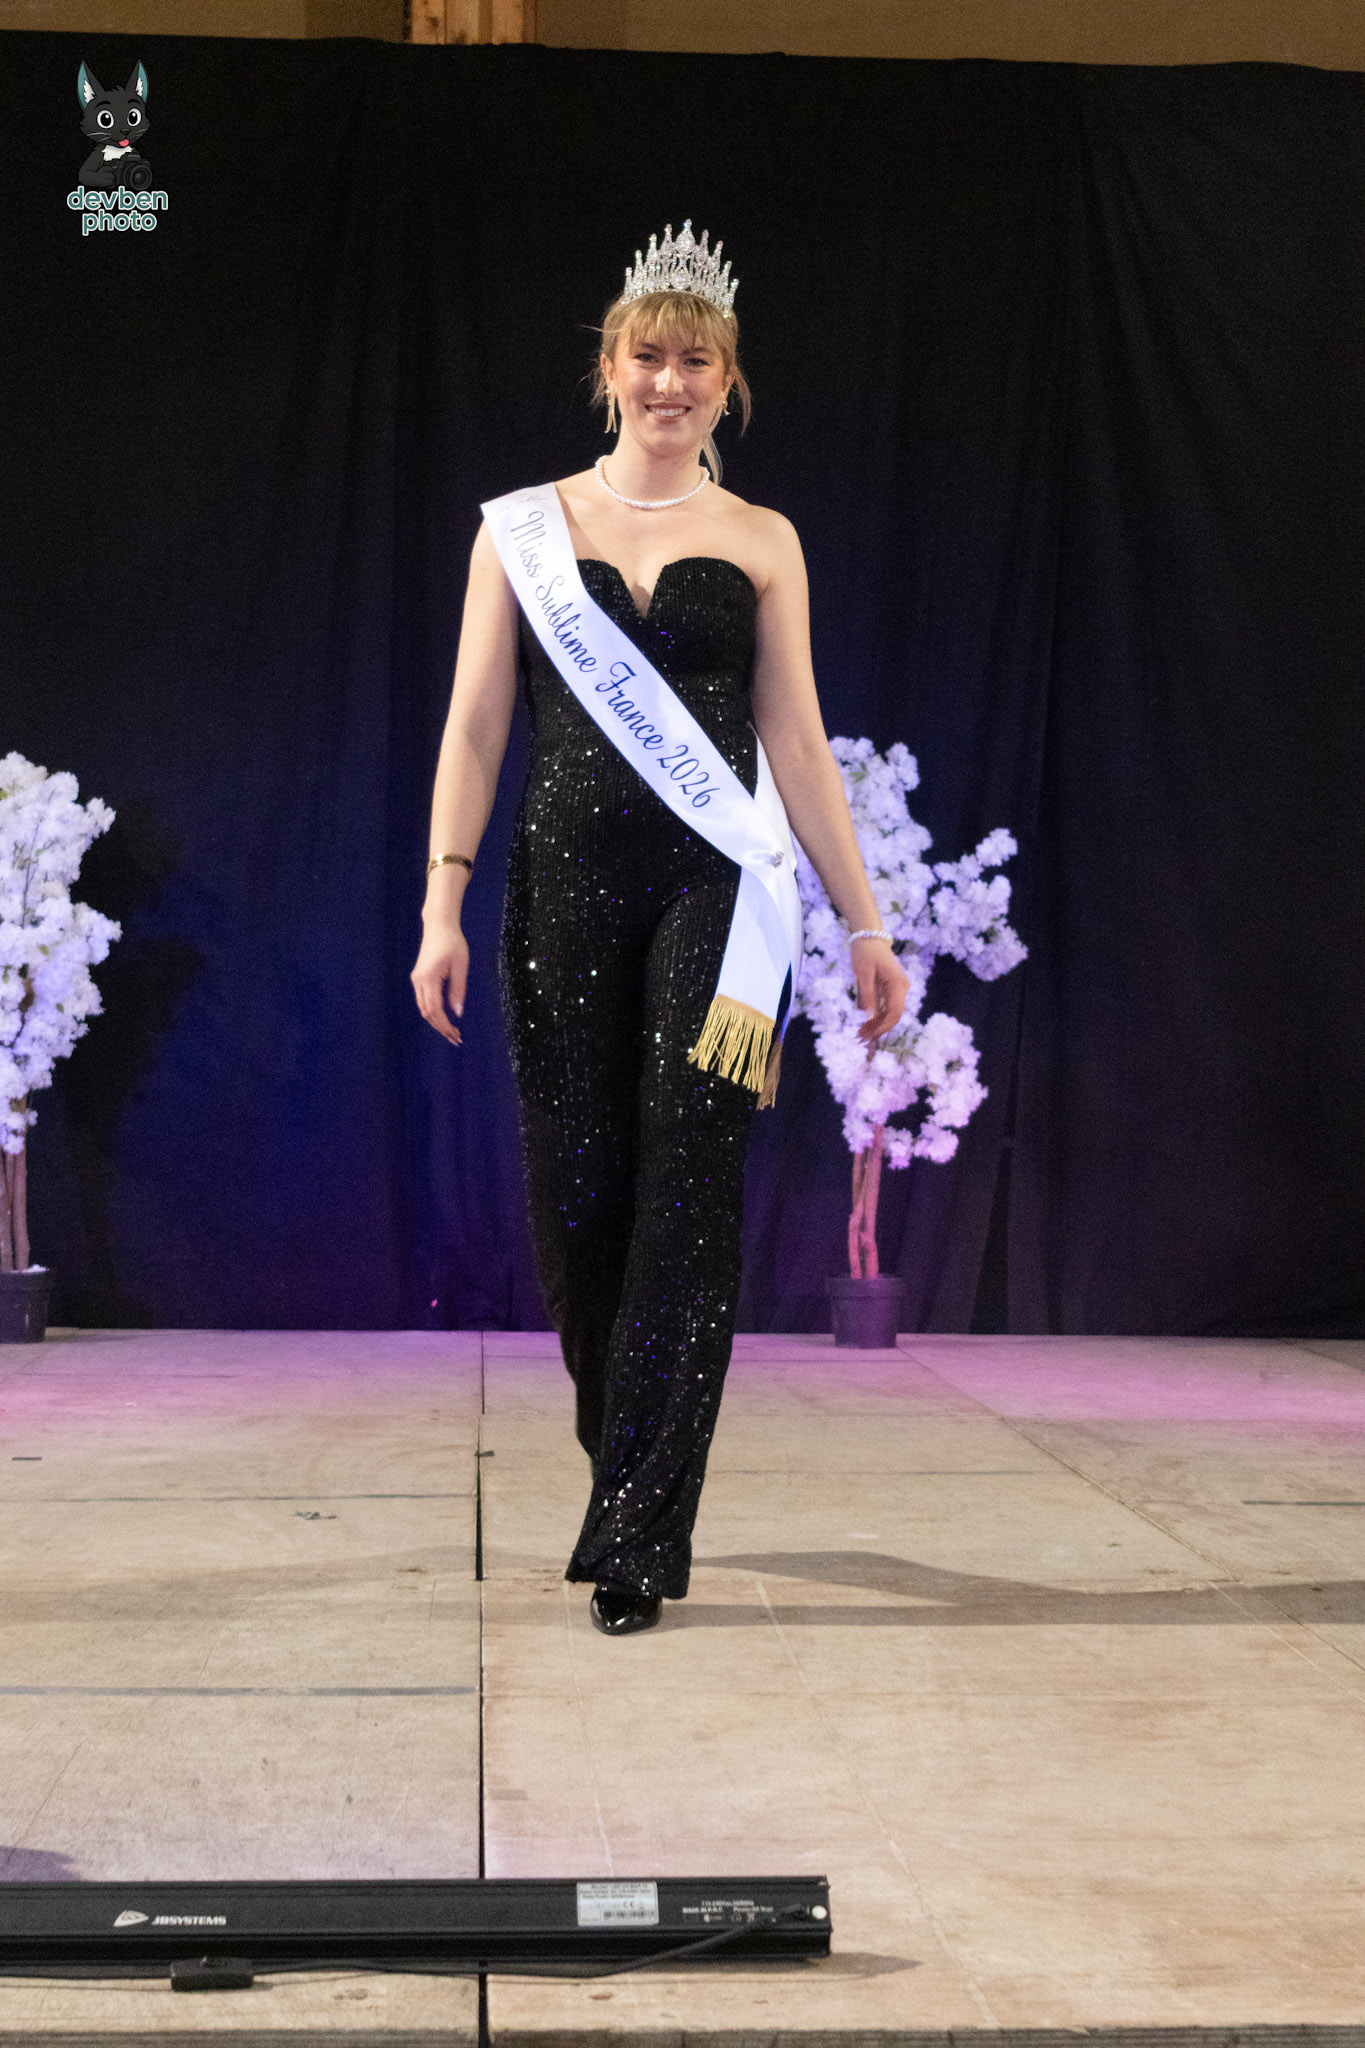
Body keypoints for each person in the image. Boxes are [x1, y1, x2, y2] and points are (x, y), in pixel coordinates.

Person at [412, 222, 909, 1635]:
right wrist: (442, 901)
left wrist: (864, 924)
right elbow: (475, 724)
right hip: (560, 887)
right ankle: (625, 1448)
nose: (669, 381)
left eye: (696, 360)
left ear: (727, 380)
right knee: (582, 1204)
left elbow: (795, 740)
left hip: (717, 895)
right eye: (649, 356)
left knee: (686, 1195)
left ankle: (638, 1533)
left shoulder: (762, 540)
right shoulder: (522, 529)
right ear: (610, 367)